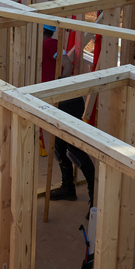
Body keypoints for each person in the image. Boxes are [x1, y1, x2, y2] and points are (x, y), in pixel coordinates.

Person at [40, 25, 97, 204]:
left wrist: (59, 86)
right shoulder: (39, 47)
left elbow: (66, 63)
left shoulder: (50, 43)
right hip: (58, 104)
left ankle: (94, 197)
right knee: (60, 150)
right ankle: (68, 188)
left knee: (75, 152)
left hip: (68, 103)